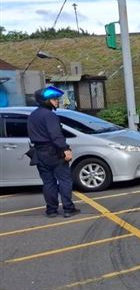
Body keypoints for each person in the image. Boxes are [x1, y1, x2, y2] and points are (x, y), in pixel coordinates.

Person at [27, 86, 79, 218]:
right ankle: (68, 208)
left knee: (48, 182)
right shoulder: (50, 115)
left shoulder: (33, 115)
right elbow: (55, 135)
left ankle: (51, 210)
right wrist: (65, 149)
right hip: (54, 152)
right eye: (54, 99)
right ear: (46, 101)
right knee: (64, 180)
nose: (57, 101)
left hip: (39, 153)